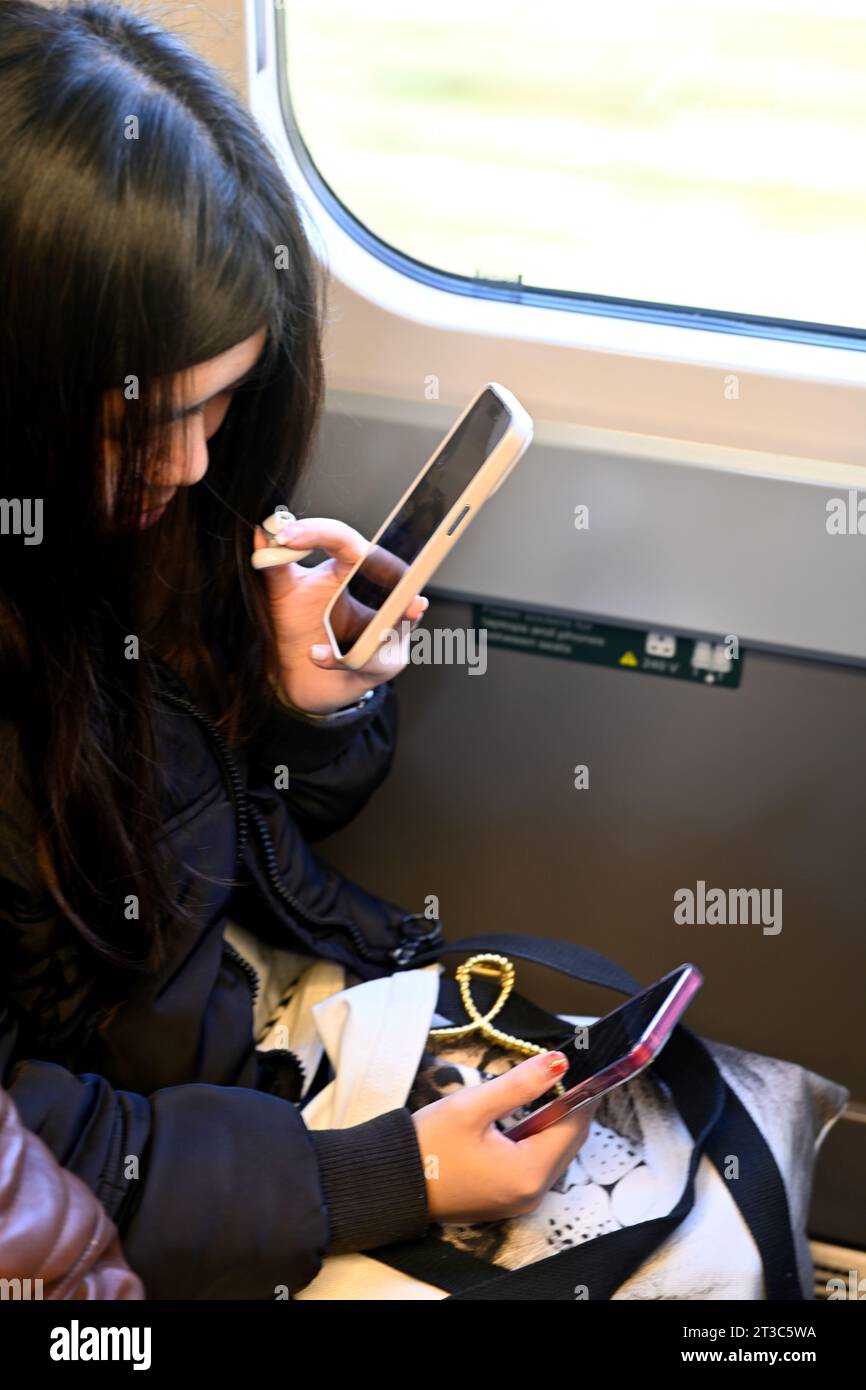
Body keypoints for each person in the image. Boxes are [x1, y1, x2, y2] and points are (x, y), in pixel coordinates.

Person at [0, 0, 595, 1299]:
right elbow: (25, 1158)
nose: (196, 463)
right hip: (148, 1154)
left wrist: (295, 707)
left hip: (223, 1071)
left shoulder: (131, 530)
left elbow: (217, 848)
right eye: (152, 421)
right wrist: (378, 1177)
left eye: (222, 407)